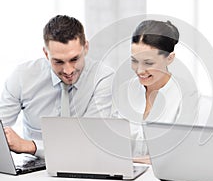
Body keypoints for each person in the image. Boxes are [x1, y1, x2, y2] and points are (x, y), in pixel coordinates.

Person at [0, 15, 114, 158]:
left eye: (74, 59)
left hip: (85, 164)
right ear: (46, 54)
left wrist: (29, 146)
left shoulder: (102, 78)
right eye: (58, 62)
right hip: (33, 170)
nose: (68, 71)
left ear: (86, 47)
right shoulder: (22, 77)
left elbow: (90, 142)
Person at [112, 20, 199, 162]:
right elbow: (111, 142)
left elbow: (182, 153)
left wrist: (132, 160)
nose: (139, 70)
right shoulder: (124, 91)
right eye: (134, 61)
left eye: (148, 63)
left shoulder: (186, 95)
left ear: (169, 58)